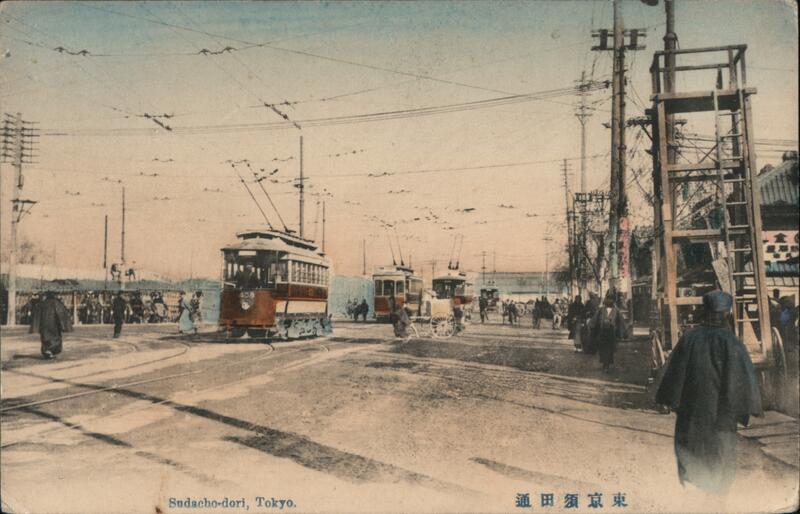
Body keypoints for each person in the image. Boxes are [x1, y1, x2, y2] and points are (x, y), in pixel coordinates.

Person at [656, 291, 762, 495]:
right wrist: (741, 410)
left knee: (691, 454)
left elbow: (675, 376)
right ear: (727, 313)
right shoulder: (732, 342)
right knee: (721, 457)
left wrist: (674, 403)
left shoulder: (689, 338)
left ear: (704, 311)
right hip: (722, 417)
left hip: (692, 413)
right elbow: (742, 381)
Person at [30, 291, 72, 359]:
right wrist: (63, 324)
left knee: (45, 338)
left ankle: (47, 351)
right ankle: (51, 351)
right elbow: (61, 314)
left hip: (44, 324)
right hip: (54, 324)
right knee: (54, 339)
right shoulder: (56, 303)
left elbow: (37, 315)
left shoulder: (42, 304)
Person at [591, 294, 626, 373]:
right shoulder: (601, 310)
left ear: (613, 301)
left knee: (610, 350)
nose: (609, 301)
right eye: (608, 299)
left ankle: (607, 365)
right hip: (602, 332)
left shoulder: (616, 311)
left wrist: (622, 333)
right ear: (605, 300)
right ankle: (605, 364)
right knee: (603, 349)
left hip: (611, 333)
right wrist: (592, 328)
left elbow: (621, 322)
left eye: (611, 299)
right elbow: (595, 320)